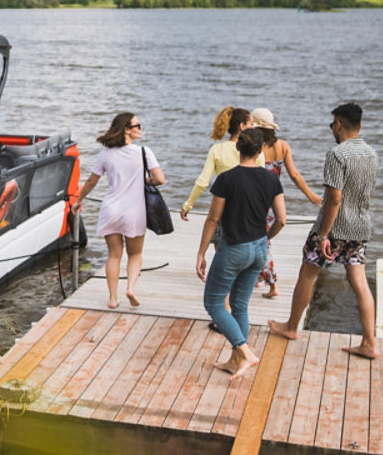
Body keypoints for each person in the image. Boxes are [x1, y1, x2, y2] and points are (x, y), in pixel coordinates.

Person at [267, 103, 380, 359]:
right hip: (360, 227)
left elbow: (334, 199)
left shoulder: (337, 155)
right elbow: (367, 193)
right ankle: (369, 343)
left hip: (333, 228)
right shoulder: (372, 154)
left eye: (332, 125)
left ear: (338, 124)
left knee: (308, 274)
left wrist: (324, 235)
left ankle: (292, 327)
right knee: (360, 283)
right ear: (360, 125)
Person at [196, 127, 286, 379]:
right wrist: (266, 239)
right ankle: (235, 361)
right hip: (258, 249)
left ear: (238, 148)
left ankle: (244, 352)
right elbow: (281, 219)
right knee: (240, 305)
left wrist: (201, 252)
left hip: (234, 248)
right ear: (260, 150)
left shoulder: (227, 178)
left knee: (213, 303)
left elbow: (213, 219)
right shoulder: (271, 179)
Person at [72, 112, 165, 309]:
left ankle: (113, 298)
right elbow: (160, 180)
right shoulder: (143, 152)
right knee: (135, 254)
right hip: (134, 211)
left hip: (110, 209)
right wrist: (144, 180)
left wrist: (78, 200)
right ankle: (130, 288)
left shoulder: (105, 155)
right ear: (126, 129)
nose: (140, 128)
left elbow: (91, 181)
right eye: (137, 125)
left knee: (114, 255)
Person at [249, 108, 322, 299]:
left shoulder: (254, 146)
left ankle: (273, 284)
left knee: (262, 242)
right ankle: (258, 277)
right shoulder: (283, 146)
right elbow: (295, 175)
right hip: (274, 199)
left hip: (256, 200)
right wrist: (310, 195)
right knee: (263, 239)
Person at [179, 106, 261, 222]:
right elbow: (261, 182)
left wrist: (188, 205)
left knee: (222, 239)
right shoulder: (256, 151)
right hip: (249, 209)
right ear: (242, 126)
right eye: (252, 124)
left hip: (223, 208)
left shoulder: (217, 149)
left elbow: (202, 182)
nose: (255, 127)